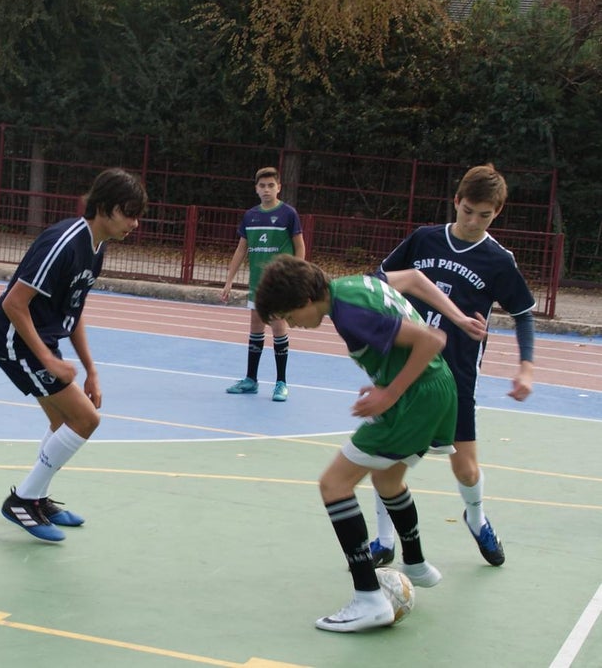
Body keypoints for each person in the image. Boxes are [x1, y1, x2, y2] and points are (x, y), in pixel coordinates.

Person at [254, 254, 487, 632]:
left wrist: (390, 393)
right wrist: (386, 380)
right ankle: (415, 562)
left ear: (303, 301)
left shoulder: (349, 314)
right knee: (388, 480)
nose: (294, 325)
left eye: (290, 317)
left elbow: (431, 340)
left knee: (334, 484)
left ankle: (368, 598)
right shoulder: (354, 285)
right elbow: (411, 281)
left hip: (416, 396)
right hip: (436, 390)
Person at [370, 164, 535, 568]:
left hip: (456, 379)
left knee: (465, 468)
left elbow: (525, 313)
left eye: (486, 215)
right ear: (456, 201)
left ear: (497, 213)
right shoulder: (424, 239)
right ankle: (384, 539)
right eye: (468, 211)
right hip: (405, 369)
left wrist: (526, 366)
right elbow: (381, 279)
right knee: (384, 459)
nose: (475, 221)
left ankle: (476, 518)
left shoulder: (499, 260)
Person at [0, 167, 147, 542]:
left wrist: (91, 369)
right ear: (105, 208)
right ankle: (23, 500)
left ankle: (37, 498)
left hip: (41, 339)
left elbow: (74, 311)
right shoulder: (63, 242)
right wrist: (47, 358)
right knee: (87, 420)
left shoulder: (96, 249)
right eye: (129, 213)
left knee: (65, 423)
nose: (135, 224)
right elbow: (14, 303)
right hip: (14, 338)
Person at [220, 166, 305, 402]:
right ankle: (251, 379)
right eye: (262, 186)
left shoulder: (288, 214)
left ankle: (281, 383)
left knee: (279, 328)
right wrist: (229, 281)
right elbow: (240, 249)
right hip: (257, 285)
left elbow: (300, 247)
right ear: (256, 189)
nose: (266, 189)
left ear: (279, 187)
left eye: (271, 185)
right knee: (255, 329)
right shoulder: (250, 216)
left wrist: (297, 275)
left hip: (280, 285)